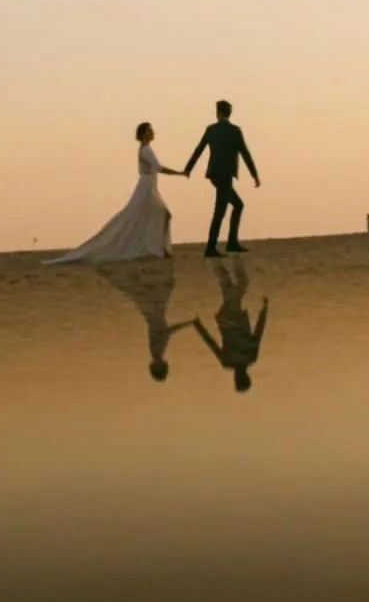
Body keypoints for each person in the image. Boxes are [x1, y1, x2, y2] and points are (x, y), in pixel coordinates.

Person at [44, 123, 184, 265]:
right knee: (158, 214)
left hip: (149, 187)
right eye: (149, 130)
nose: (152, 132)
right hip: (146, 189)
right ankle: (159, 248)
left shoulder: (147, 149)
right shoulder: (146, 150)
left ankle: (158, 248)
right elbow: (158, 168)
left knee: (154, 215)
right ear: (143, 134)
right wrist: (179, 173)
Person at [182, 99, 260, 257]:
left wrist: (188, 169)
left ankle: (231, 242)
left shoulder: (211, 130)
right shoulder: (235, 131)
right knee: (220, 210)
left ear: (218, 113)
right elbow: (245, 153)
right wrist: (254, 175)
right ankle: (212, 247)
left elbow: (199, 149)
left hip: (215, 174)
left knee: (237, 205)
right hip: (226, 175)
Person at [194, 255, 269, 393]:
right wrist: (198, 326)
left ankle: (232, 254)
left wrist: (265, 310)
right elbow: (211, 343)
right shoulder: (228, 362)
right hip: (226, 320)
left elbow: (258, 332)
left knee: (241, 284)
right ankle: (217, 257)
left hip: (233, 318)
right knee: (227, 285)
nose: (237, 376)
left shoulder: (250, 357)